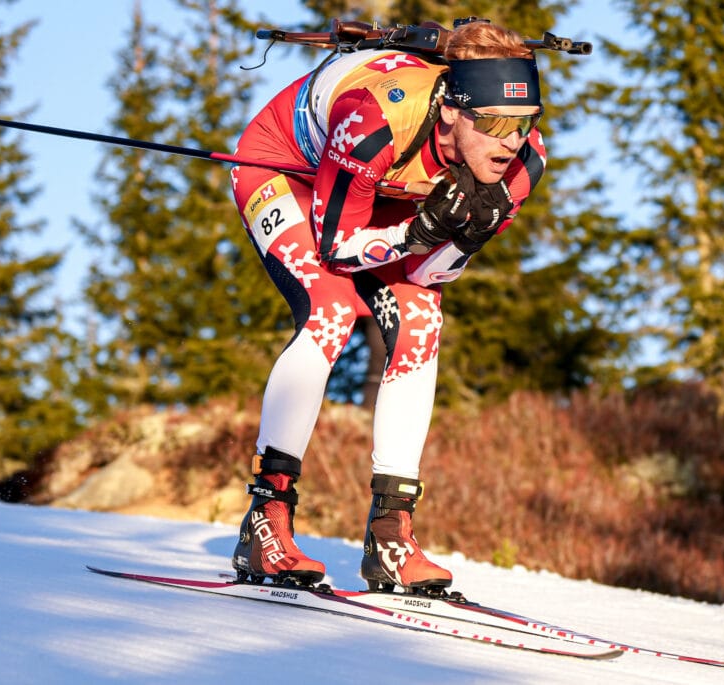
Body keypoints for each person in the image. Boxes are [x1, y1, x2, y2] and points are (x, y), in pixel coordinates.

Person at [229, 19, 546, 593]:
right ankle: (265, 517)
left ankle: (391, 532)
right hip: (292, 174)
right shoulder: (374, 118)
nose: (511, 141)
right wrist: (416, 233)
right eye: (496, 123)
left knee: (421, 322)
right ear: (451, 109)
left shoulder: (521, 166)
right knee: (330, 309)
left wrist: (462, 237)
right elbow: (336, 248)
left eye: (525, 124)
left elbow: (428, 277)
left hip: (384, 200)